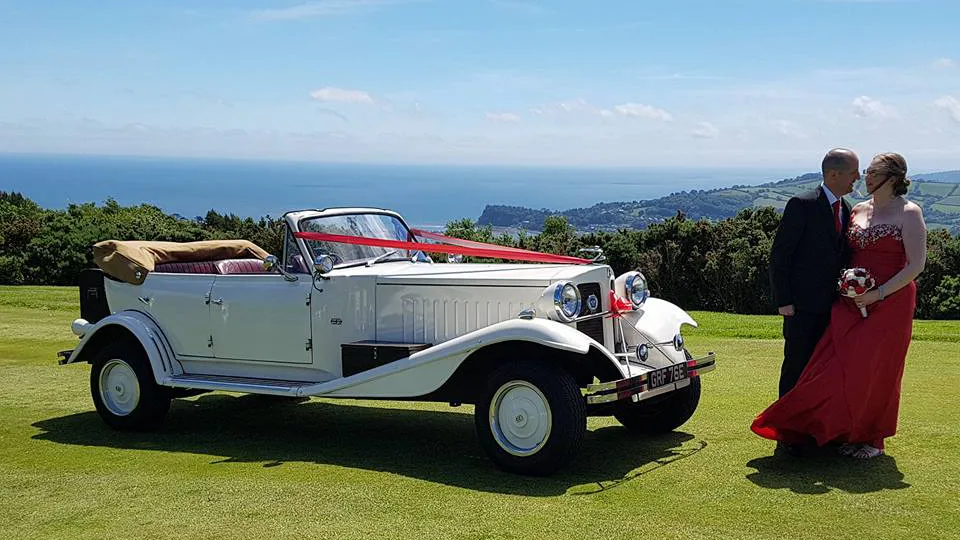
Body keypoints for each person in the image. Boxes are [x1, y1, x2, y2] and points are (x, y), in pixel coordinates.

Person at [752, 152, 927, 459]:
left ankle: (869, 436)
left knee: (877, 370)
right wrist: (787, 301)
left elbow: (916, 265)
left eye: (871, 172)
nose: (864, 177)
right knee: (832, 366)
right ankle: (808, 431)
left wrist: (879, 293)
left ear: (893, 178)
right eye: (863, 172)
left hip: (890, 302)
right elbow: (788, 255)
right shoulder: (853, 208)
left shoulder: (909, 213)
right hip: (845, 303)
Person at [768, 148, 858, 400]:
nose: (858, 177)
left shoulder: (846, 208)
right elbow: (780, 255)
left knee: (824, 370)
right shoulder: (802, 204)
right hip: (801, 307)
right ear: (833, 174)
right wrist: (783, 300)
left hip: (834, 308)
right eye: (853, 172)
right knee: (796, 369)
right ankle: (786, 432)